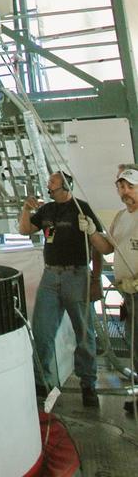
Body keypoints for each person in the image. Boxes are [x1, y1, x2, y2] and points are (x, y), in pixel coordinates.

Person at [18, 169, 110, 407]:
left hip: (77, 274)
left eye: (53, 182)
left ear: (65, 186)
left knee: (83, 332)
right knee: (42, 330)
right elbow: (24, 230)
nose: (48, 185)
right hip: (51, 275)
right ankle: (42, 384)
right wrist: (26, 209)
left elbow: (98, 245)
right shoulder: (47, 210)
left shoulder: (82, 208)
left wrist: (96, 278)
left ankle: (88, 384)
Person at [108, 165, 138, 416]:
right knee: (134, 344)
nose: (125, 191)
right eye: (121, 187)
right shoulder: (120, 217)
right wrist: (91, 232)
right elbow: (107, 247)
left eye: (130, 186)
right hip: (129, 294)